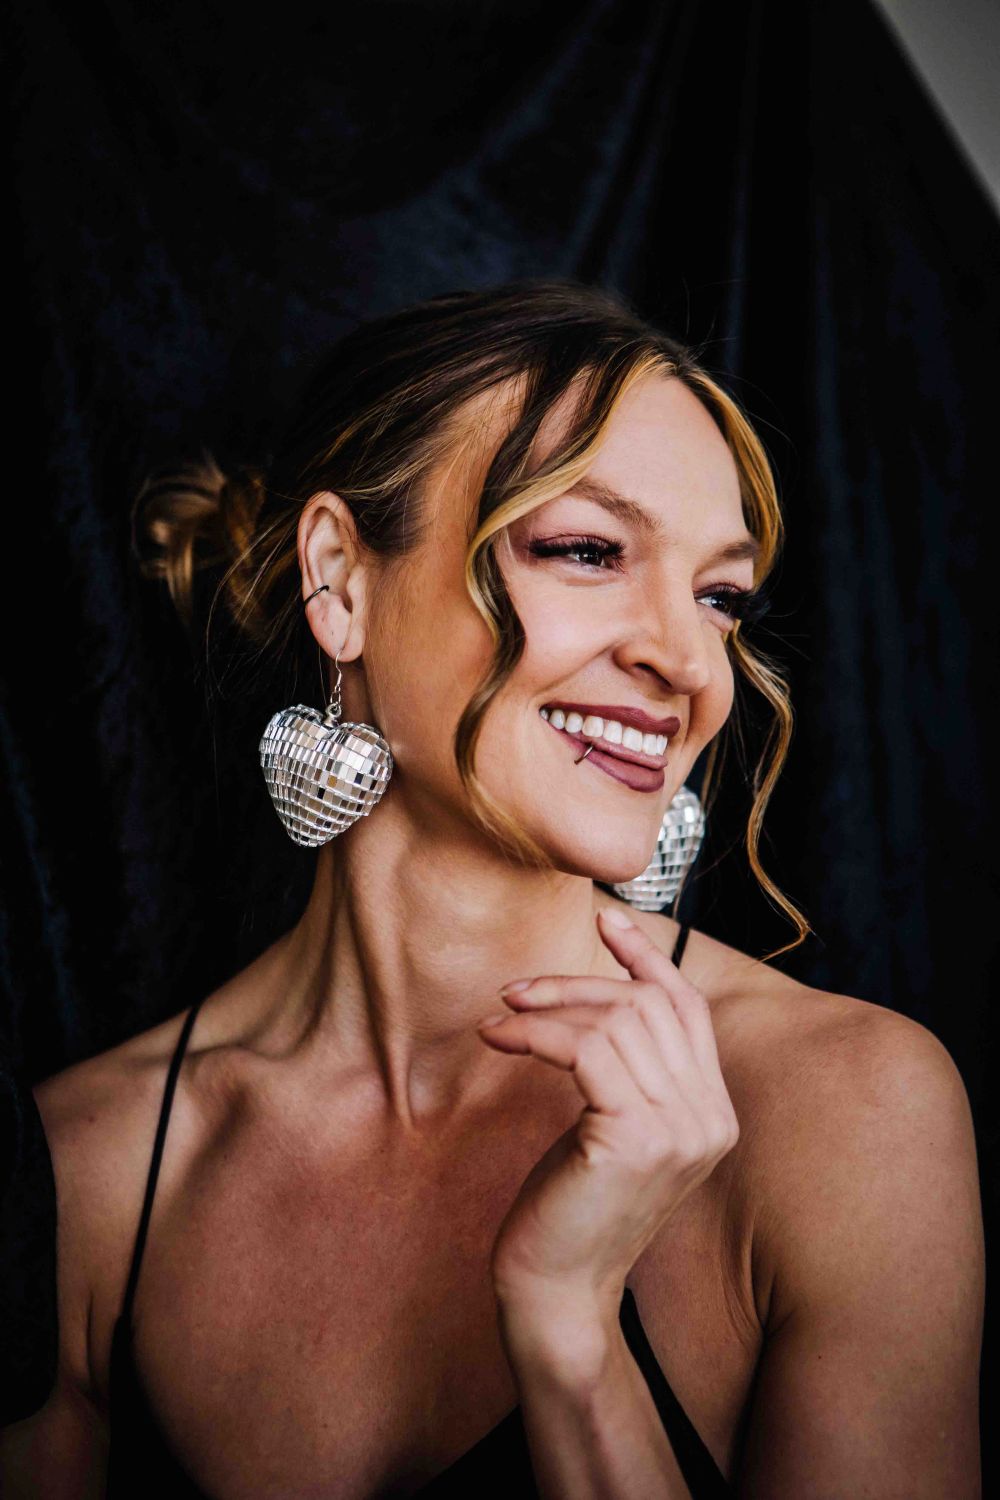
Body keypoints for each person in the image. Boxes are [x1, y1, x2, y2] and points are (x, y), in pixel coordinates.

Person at [1, 280, 984, 1497]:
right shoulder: (87, 1181)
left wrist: (569, 1327)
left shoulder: (849, 1117)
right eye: (586, 551)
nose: (688, 662)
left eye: (720, 597)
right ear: (340, 582)